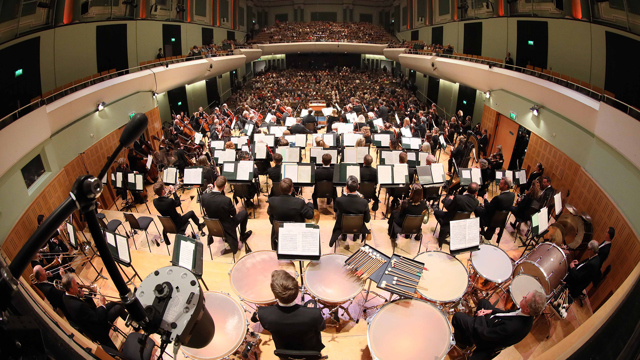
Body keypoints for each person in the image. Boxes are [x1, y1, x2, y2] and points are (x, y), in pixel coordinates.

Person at [451, 290, 546, 357]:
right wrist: (491, 311)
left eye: (526, 298)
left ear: (527, 309)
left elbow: (485, 334)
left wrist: (480, 318)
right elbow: (508, 314)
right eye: (526, 295)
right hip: (496, 327)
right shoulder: (527, 313)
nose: (523, 297)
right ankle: (469, 336)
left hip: (486, 340)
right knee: (483, 303)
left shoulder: (512, 327)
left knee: (458, 317)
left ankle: (462, 343)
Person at [257, 270, 325, 352]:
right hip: (309, 351)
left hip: (284, 352)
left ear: (275, 296)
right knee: (311, 302)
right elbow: (321, 327)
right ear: (297, 293)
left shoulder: (264, 314)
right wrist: (309, 312)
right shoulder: (314, 314)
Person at [61, 274, 128, 350]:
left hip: (92, 318)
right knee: (118, 308)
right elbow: (98, 318)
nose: (78, 286)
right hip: (98, 328)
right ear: (70, 289)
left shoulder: (65, 296)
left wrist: (85, 296)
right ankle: (136, 323)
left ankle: (129, 306)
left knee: (114, 303)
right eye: (76, 284)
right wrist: (102, 305)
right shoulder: (78, 306)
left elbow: (89, 308)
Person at [201, 176, 252, 255]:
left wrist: (210, 191)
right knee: (244, 213)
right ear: (224, 187)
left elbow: (208, 203)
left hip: (213, 226)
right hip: (227, 227)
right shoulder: (226, 200)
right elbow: (234, 214)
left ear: (215, 183)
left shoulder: (204, 197)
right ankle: (243, 235)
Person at [267, 178, 315, 250]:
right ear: (291, 189)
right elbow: (310, 215)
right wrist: (309, 203)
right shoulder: (299, 202)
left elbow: (269, 213)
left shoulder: (272, 201)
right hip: (295, 234)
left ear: (280, 189)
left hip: (278, 233)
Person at [433, 182, 480, 248]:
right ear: (476, 193)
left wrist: (449, 199)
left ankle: (445, 226)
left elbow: (448, 207)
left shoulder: (458, 198)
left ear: (467, 189)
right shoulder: (476, 202)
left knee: (436, 212)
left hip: (450, 218)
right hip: (462, 221)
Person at [329, 176, 371, 248]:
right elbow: (367, 220)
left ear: (346, 188)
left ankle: (344, 235)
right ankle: (356, 235)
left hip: (342, 226)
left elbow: (335, 210)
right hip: (358, 227)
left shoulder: (340, 200)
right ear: (358, 187)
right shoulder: (364, 202)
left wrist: (344, 195)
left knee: (340, 212)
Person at [476, 177, 515, 243]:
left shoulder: (498, 198)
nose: (499, 184)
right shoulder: (512, 195)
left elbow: (488, 208)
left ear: (506, 186)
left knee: (476, 208)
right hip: (500, 219)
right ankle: (488, 233)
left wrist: (485, 199)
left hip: (490, 219)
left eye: (501, 183)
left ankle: (482, 228)